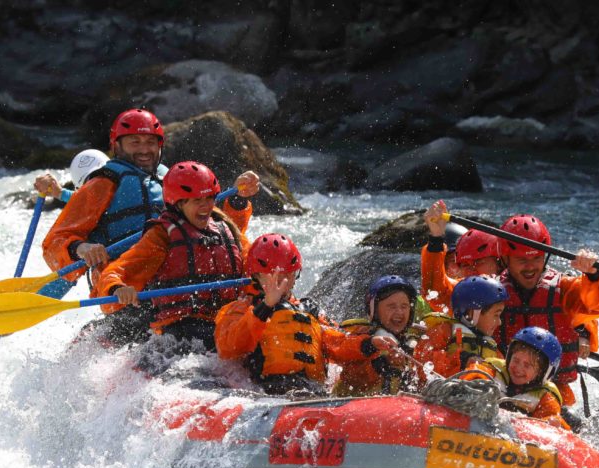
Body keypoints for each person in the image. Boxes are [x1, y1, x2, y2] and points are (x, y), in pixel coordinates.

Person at [36, 109, 170, 343]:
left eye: (150, 142)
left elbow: (212, 220)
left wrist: (236, 202)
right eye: (135, 142)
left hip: (174, 287)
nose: (144, 149)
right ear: (117, 146)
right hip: (125, 292)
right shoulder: (103, 183)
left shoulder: (171, 179)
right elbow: (55, 242)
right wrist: (81, 248)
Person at [95, 162, 258, 350]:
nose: (206, 205)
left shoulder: (224, 226)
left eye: (209, 198)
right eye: (197, 200)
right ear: (178, 204)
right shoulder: (161, 235)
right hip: (180, 332)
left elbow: (253, 262)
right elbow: (117, 271)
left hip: (225, 324)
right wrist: (117, 288)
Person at [215, 234, 399, 396]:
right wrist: (265, 307)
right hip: (265, 393)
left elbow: (338, 343)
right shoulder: (242, 308)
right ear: (256, 276)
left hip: (312, 391)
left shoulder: (310, 310)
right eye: (274, 276)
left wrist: (369, 343)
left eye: (289, 275)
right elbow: (229, 347)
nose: (283, 282)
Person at [495, 213, 599, 410]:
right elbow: (448, 295)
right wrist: (441, 238)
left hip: (553, 395)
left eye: (537, 258)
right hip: (500, 386)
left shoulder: (563, 289)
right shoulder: (491, 289)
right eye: (521, 260)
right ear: (505, 259)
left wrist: (595, 275)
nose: (530, 267)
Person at [458, 327, 572, 430]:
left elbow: (551, 416)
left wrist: (552, 422)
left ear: (543, 373)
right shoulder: (492, 369)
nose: (518, 368)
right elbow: (475, 375)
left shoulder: (546, 396)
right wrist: (475, 386)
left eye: (527, 365)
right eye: (516, 360)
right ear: (508, 357)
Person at [335, 275, 422, 396]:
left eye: (404, 306)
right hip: (356, 404)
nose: (399, 312)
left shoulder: (415, 343)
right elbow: (351, 378)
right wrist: (381, 363)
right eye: (391, 306)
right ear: (374, 311)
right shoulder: (362, 340)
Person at [414, 275, 508, 378]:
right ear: (472, 313)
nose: (499, 322)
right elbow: (422, 363)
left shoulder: (495, 351)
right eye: (496, 315)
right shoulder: (444, 331)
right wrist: (462, 361)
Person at [420, 199, 485, 313]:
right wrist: (436, 237)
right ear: (442, 264)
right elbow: (436, 289)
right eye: (457, 261)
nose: (469, 268)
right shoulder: (433, 295)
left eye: (474, 261)